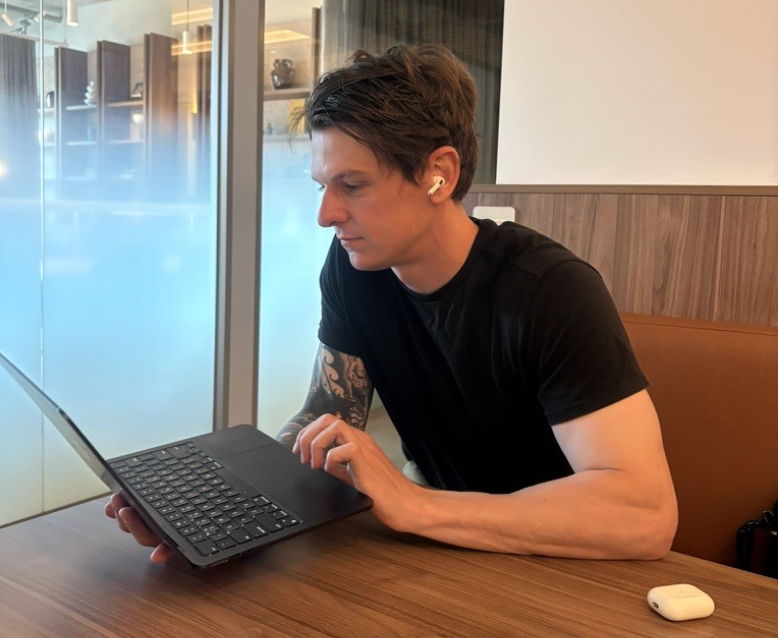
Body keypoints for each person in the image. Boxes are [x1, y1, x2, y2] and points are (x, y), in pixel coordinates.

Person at [106, 44, 677, 563]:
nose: (326, 215)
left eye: (352, 186)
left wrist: (417, 505)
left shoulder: (550, 291)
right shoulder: (355, 267)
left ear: (439, 175)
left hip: (557, 559)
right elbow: (327, 414)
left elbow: (644, 516)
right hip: (433, 546)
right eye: (322, 186)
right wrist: (223, 510)